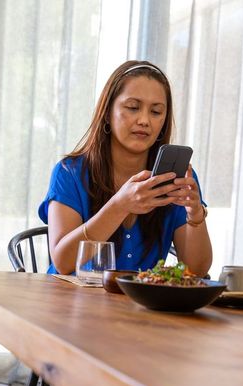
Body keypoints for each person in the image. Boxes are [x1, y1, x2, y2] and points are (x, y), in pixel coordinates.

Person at [38, 60, 212, 276]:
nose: (144, 120)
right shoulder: (69, 173)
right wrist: (121, 204)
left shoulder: (174, 177)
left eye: (156, 112)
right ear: (108, 112)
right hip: (70, 303)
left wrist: (195, 214)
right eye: (132, 108)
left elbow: (197, 270)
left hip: (139, 307)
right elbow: (63, 262)